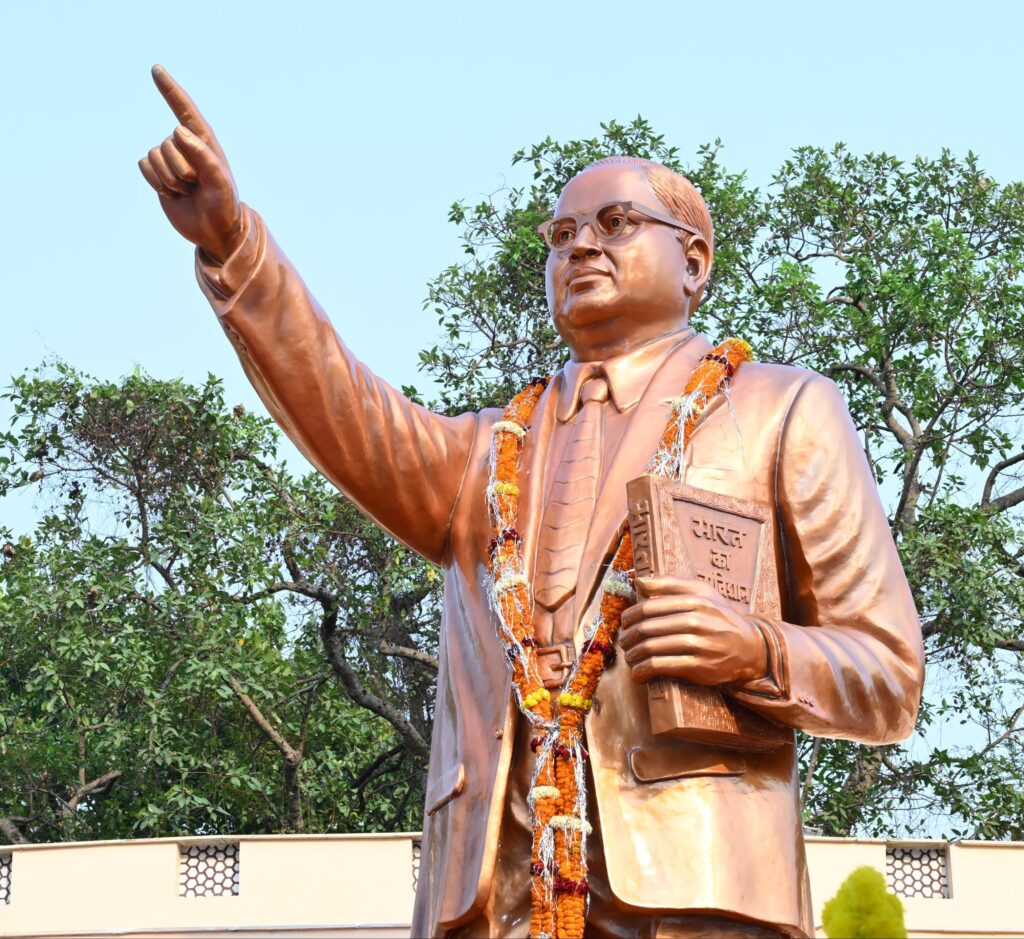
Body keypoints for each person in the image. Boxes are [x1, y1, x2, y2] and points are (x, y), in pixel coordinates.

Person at [140, 65, 925, 939]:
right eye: (561, 234)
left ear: (694, 262)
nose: (581, 246)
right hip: (494, 893)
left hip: (694, 890)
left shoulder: (782, 410)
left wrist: (753, 648)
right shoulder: (486, 451)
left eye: (616, 223)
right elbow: (339, 406)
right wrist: (233, 245)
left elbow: (889, 674)